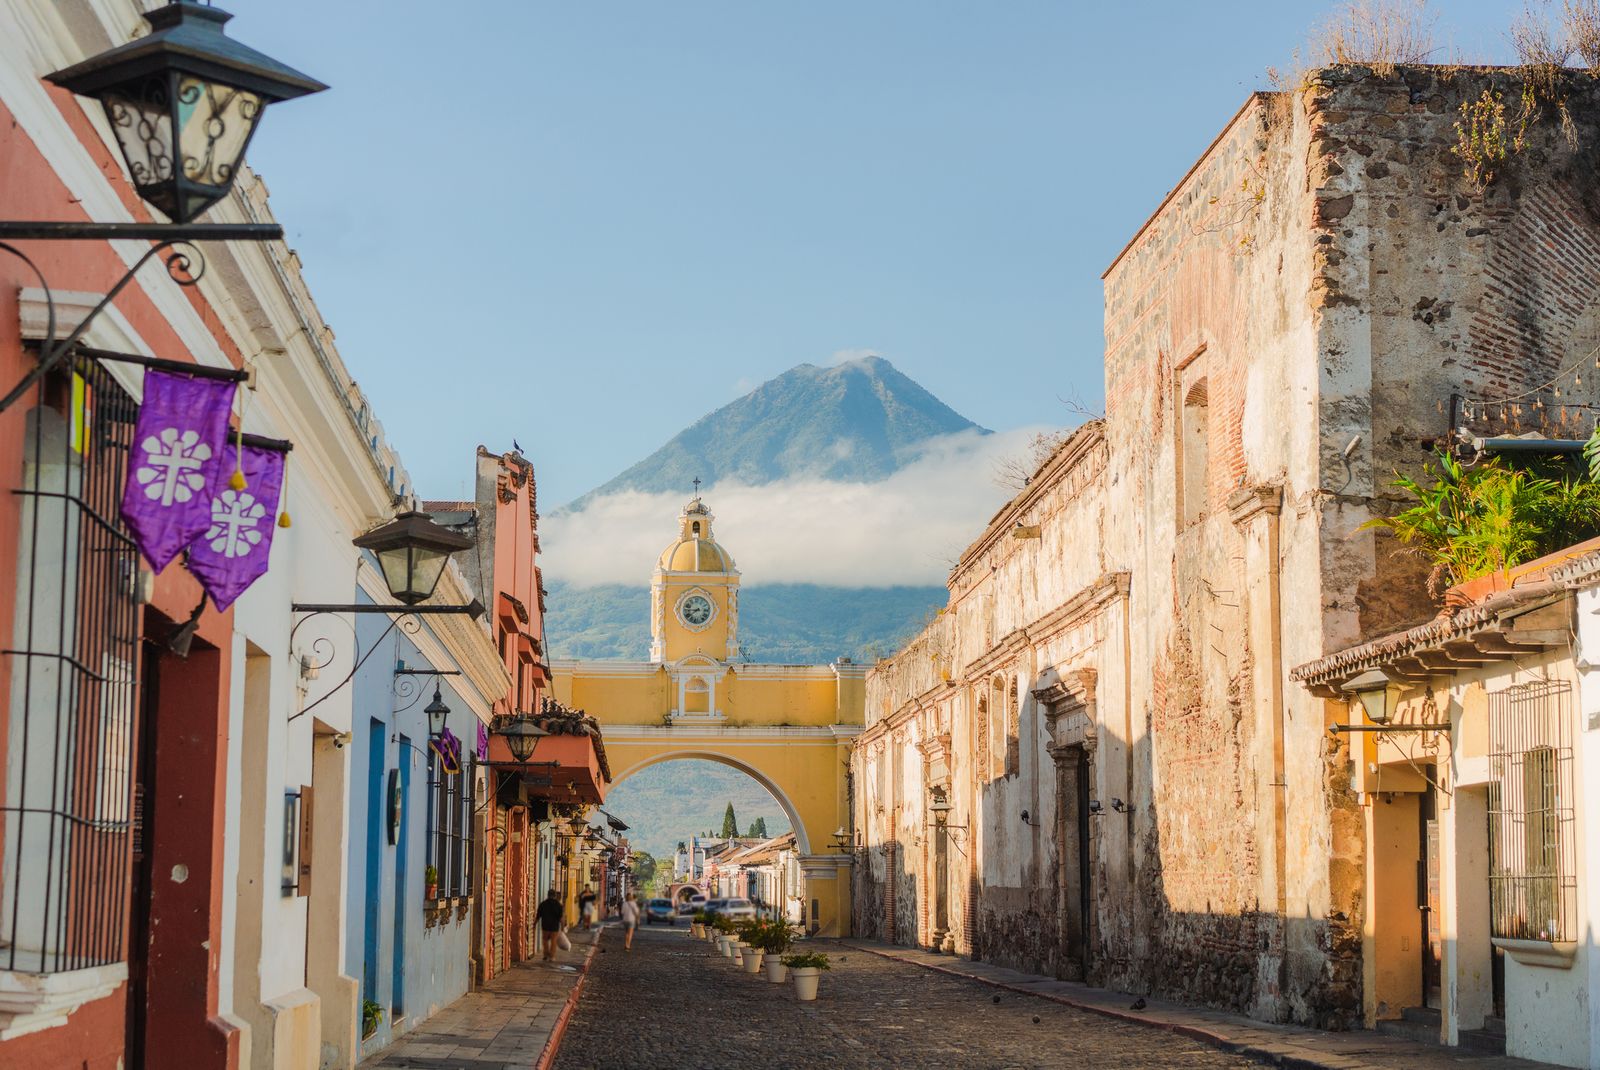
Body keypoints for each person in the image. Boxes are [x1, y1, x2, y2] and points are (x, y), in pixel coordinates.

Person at [536, 887, 564, 962]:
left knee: (545, 940)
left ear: (548, 895)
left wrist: (534, 924)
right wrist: (563, 927)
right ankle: (552, 956)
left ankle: (545, 955)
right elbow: (561, 918)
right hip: (554, 927)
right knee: (553, 941)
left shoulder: (543, 904)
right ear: (555, 896)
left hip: (545, 926)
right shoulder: (559, 905)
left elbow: (538, 915)